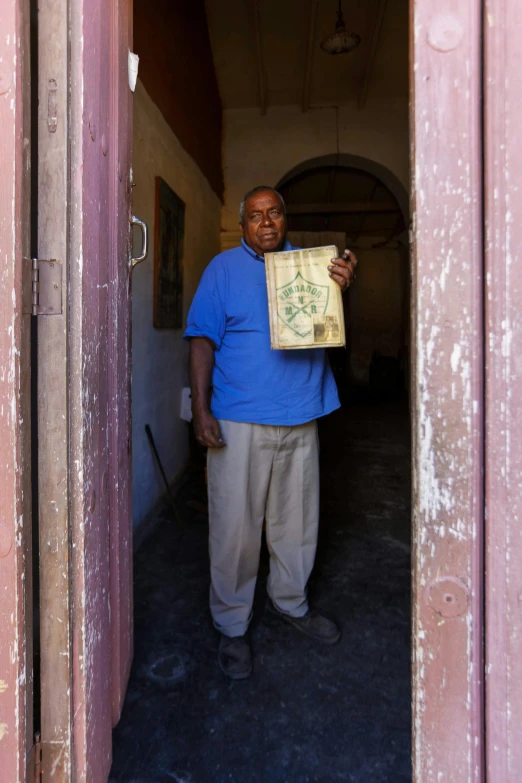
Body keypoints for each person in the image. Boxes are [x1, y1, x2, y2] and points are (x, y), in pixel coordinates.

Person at [184, 186, 357, 679]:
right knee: (236, 527)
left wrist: (346, 278)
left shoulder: (312, 263)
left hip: (301, 413)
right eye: (255, 215)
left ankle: (290, 601)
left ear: (285, 219)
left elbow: (337, 298)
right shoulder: (222, 270)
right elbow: (200, 342)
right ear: (243, 224)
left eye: (274, 213)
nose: (266, 222)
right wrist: (202, 409)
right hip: (239, 418)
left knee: (297, 522)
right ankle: (233, 625)